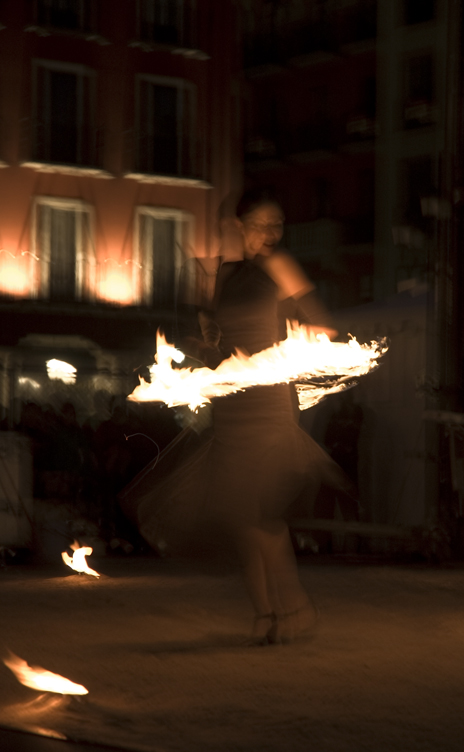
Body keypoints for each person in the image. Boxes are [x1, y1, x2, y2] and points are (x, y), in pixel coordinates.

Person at [121, 188, 358, 645]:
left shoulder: (279, 267)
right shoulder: (225, 275)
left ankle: (296, 607)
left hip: (267, 405)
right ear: (241, 225)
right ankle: (265, 614)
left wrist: (282, 351)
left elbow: (323, 326)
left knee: (262, 513)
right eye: (263, 223)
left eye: (279, 224)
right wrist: (208, 343)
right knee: (240, 517)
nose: (272, 233)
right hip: (233, 410)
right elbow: (214, 338)